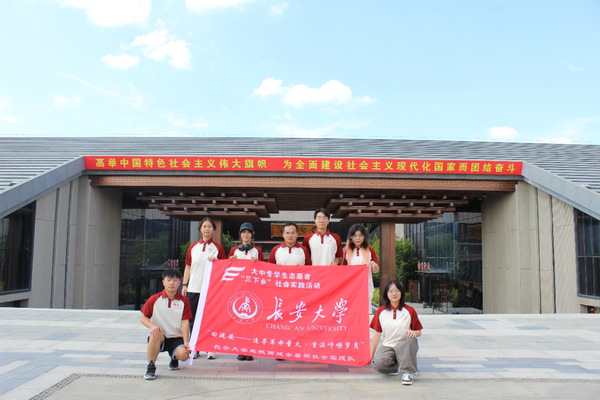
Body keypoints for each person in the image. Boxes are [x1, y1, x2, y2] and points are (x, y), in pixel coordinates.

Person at [182, 217, 226, 360]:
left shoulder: (218, 248)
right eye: (204, 226)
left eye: (209, 226)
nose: (207, 229)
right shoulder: (193, 247)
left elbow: (224, 268)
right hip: (193, 288)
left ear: (214, 230)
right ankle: (195, 347)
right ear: (200, 229)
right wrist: (184, 284)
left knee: (210, 319)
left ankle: (210, 347)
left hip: (211, 289)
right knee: (193, 319)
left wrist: (217, 261)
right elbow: (188, 266)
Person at [140, 268, 192, 380]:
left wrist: (186, 341)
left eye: (175, 280)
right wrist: (153, 326)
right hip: (160, 335)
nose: (171, 283)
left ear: (179, 282)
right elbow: (143, 318)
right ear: (163, 282)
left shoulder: (184, 301)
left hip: (176, 337)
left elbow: (185, 322)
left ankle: (174, 358)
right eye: (169, 280)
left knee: (184, 355)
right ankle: (151, 366)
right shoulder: (154, 299)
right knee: (154, 334)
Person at [370, 280, 423, 385]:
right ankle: (397, 366)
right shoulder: (381, 312)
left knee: (409, 338)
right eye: (391, 291)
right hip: (388, 345)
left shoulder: (409, 310)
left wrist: (414, 333)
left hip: (405, 345)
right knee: (378, 365)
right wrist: (370, 355)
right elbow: (377, 334)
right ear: (386, 294)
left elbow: (419, 331)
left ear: (401, 293)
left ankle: (407, 372)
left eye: (397, 291)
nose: (394, 294)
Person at [228, 222, 264, 361]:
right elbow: (226, 267)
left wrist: (257, 263)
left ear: (252, 234)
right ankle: (239, 348)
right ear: (240, 234)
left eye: (249, 232)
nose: (246, 235)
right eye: (243, 232)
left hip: (253, 289)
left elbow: (263, 270)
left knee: (252, 320)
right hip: (237, 289)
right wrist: (231, 261)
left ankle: (249, 349)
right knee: (238, 319)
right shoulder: (234, 250)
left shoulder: (257, 251)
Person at [342, 224, 380, 314]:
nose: (358, 238)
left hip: (366, 284)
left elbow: (376, 271)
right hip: (351, 286)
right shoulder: (346, 251)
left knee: (365, 311)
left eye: (360, 235)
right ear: (351, 237)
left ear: (364, 237)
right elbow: (343, 269)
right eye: (355, 235)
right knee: (352, 311)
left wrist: (374, 265)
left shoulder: (370, 250)